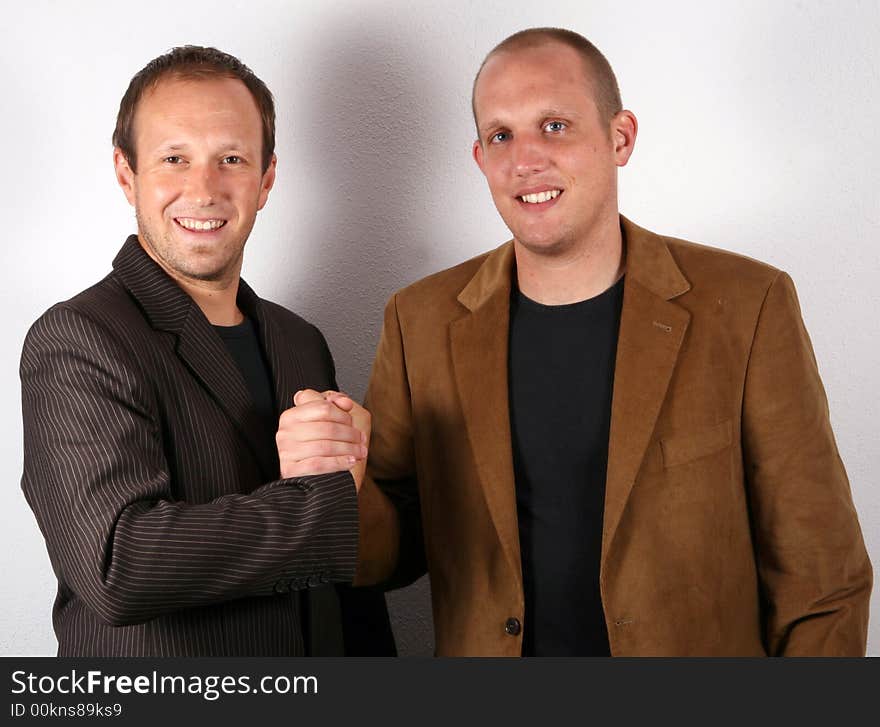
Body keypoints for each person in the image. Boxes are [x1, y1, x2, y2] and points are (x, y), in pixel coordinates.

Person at [343, 27, 873, 655]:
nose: (526, 160)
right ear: (480, 157)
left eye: (556, 126)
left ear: (620, 137)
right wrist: (341, 489)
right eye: (501, 135)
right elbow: (388, 558)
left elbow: (823, 582)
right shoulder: (419, 320)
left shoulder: (748, 305)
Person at [20, 46, 394, 656]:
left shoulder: (302, 341)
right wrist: (326, 504)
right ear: (126, 174)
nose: (204, 188)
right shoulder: (77, 340)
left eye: (231, 159)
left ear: (266, 178)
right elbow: (118, 567)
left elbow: (337, 593)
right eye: (174, 158)